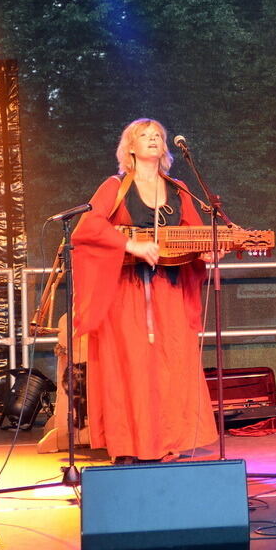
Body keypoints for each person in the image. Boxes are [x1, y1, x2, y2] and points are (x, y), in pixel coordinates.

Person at [70, 118, 219, 463]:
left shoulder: (179, 187)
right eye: (144, 136)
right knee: (132, 364)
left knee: (172, 362)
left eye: (158, 136)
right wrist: (131, 246)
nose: (153, 140)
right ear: (130, 147)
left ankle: (169, 441)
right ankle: (129, 445)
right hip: (127, 291)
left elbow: (194, 233)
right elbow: (87, 228)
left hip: (169, 291)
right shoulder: (116, 185)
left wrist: (208, 249)